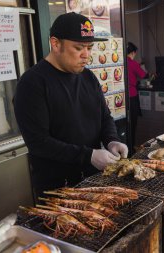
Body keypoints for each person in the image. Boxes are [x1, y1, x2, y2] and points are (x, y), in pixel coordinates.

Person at [13, 12, 128, 199]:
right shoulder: (32, 83)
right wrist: (88, 155)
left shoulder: (88, 77)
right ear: (55, 43)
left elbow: (104, 117)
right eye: (79, 48)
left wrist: (111, 140)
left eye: (90, 48)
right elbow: (38, 142)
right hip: (58, 187)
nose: (87, 56)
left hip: (94, 179)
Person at [126, 42, 148, 150]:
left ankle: (127, 146)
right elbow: (144, 75)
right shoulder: (133, 63)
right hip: (132, 96)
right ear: (133, 52)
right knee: (132, 122)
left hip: (122, 97)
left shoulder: (119, 62)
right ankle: (131, 147)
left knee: (125, 123)